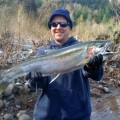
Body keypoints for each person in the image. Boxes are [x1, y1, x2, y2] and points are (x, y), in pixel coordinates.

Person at [26, 8, 104, 120]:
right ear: (50, 28)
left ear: (69, 27)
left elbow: (97, 76)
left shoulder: (82, 49)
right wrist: (35, 81)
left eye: (63, 24)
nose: (58, 27)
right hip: (47, 115)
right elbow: (37, 86)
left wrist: (93, 67)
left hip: (77, 115)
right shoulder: (43, 52)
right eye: (54, 24)